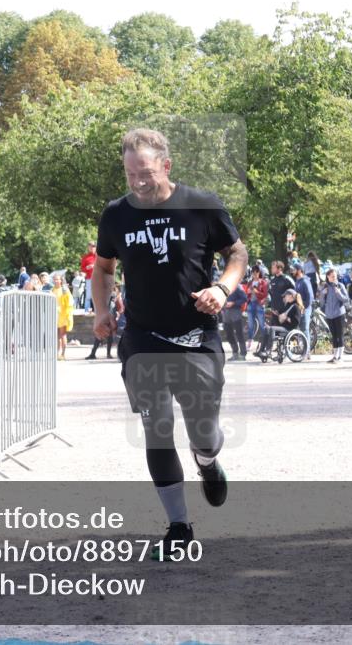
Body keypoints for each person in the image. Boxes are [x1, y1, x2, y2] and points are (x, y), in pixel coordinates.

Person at [93, 128, 248, 556]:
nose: (138, 182)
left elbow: (238, 254)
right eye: (130, 175)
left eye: (145, 173)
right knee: (157, 428)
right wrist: (103, 310)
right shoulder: (116, 215)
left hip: (197, 336)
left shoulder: (202, 205)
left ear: (166, 166)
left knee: (203, 432)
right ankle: (178, 525)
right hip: (143, 338)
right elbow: (103, 268)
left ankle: (207, 460)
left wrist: (222, 288)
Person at [255, 288, 301, 359]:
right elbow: (280, 313)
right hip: (282, 327)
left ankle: (268, 351)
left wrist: (286, 318)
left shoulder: (296, 307)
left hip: (289, 328)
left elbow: (296, 322)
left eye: (285, 296)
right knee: (266, 328)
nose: (284, 297)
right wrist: (276, 313)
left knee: (272, 329)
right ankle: (261, 350)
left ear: (291, 296)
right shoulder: (287, 305)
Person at [318, 267, 349, 363]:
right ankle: (335, 356)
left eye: (335, 276)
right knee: (334, 335)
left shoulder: (340, 285)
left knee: (340, 334)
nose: (333, 278)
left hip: (339, 313)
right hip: (329, 314)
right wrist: (323, 294)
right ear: (327, 277)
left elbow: (346, 299)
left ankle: (340, 356)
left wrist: (338, 293)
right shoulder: (325, 287)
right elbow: (321, 302)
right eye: (332, 276)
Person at [86, 284, 123, 360]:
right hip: (108, 316)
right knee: (104, 336)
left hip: (108, 317)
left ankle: (97, 353)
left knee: (102, 336)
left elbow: (116, 307)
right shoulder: (112, 295)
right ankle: (104, 354)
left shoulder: (111, 295)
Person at [222, 277, 249, 361]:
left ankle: (243, 354)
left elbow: (244, 298)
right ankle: (235, 353)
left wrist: (233, 303)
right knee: (228, 335)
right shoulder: (223, 287)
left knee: (239, 334)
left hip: (236, 313)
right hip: (226, 314)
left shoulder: (237, 286)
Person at [291, 263, 314, 360]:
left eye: (294, 269)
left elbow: (310, 297)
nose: (292, 271)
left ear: (299, 270)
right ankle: (303, 351)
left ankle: (307, 352)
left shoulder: (304, 281)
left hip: (305, 309)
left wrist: (304, 307)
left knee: (305, 329)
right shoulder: (298, 281)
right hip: (299, 308)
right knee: (301, 330)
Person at [245, 267, 268, 353]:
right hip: (250, 304)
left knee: (262, 325)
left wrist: (256, 291)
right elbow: (246, 292)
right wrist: (248, 292)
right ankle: (250, 342)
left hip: (259, 305)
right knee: (250, 325)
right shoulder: (250, 282)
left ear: (259, 273)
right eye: (253, 272)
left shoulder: (263, 282)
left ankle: (264, 343)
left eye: (256, 272)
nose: (254, 274)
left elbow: (265, 295)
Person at [53, 274, 74, 361]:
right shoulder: (53, 289)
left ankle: (63, 354)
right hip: (55, 314)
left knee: (62, 335)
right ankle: (57, 353)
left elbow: (69, 302)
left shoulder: (64, 289)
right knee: (57, 336)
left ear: (61, 280)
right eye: (55, 279)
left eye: (58, 279)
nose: (56, 281)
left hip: (63, 315)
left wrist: (66, 294)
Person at [81, 241, 97, 313]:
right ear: (88, 247)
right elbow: (82, 269)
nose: (92, 247)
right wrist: (87, 268)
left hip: (98, 278)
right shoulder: (85, 257)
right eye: (90, 246)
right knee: (88, 296)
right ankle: (86, 311)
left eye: (93, 246)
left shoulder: (100, 256)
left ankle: (98, 312)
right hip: (89, 278)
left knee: (98, 296)